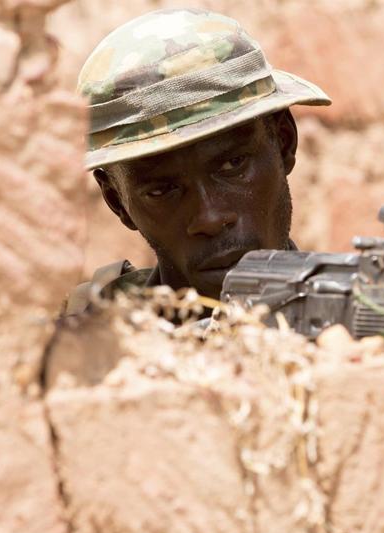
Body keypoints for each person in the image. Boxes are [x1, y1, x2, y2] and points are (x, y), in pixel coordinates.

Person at [64, 8, 330, 316]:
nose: (210, 217)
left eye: (233, 165)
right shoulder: (85, 342)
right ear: (117, 201)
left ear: (284, 142)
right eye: (162, 190)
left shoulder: (368, 335)